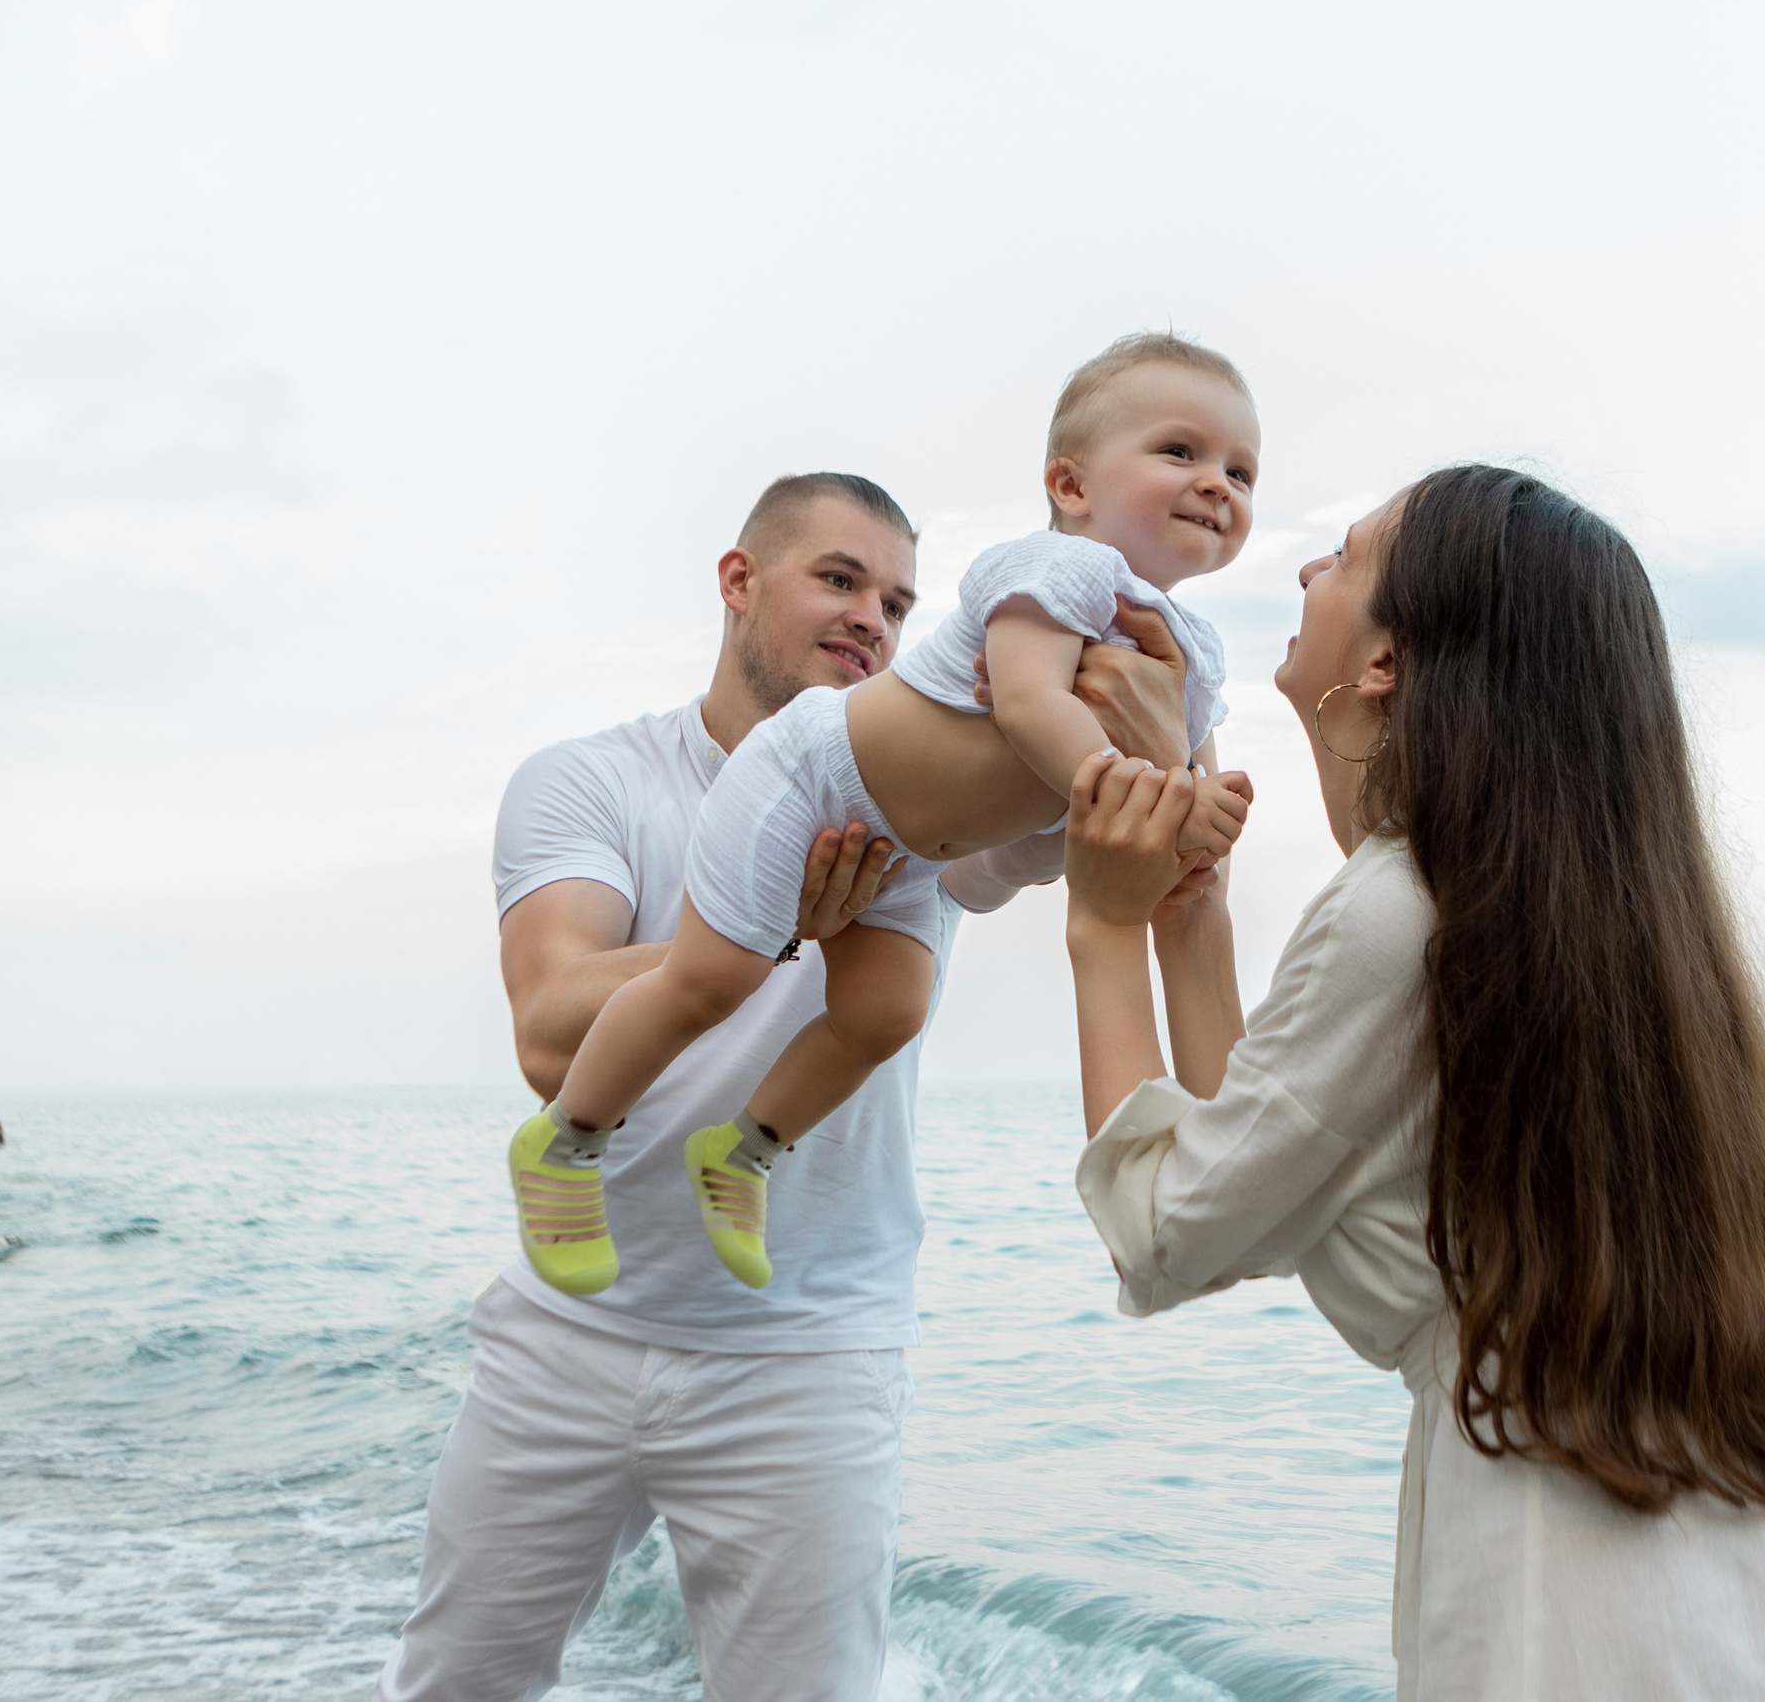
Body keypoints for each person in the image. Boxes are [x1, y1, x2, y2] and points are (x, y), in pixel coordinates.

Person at [1049, 464, 1765, 1699]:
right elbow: (1271, 1173)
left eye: (1340, 559)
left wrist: (1098, 926)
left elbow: (1169, 1230)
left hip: (1570, 1601)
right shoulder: (1577, 924)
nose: (1303, 572)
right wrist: (1190, 931)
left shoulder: (1398, 917)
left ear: (1392, 660)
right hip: (1758, 1599)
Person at [374, 470, 1200, 1702]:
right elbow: (549, 1036)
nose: (873, 614)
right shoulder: (591, 781)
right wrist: (752, 931)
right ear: (737, 580)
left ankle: (745, 1161)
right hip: (569, 1338)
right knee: (458, 1682)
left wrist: (1154, 729)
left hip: (810, 1347)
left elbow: (1045, 832)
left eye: (900, 599)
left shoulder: (914, 795)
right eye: (838, 578)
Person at [512, 332, 1258, 1298]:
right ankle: (568, 1139)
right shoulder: (1057, 570)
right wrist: (1135, 794)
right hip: (815, 777)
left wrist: (1202, 817)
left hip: (907, 853)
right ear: (1071, 487)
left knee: (888, 1007)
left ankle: (742, 1152)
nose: (1218, 483)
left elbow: (1173, 793)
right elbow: (1033, 707)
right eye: (1181, 452)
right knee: (714, 973)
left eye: (1240, 469)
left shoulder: (1195, 654)